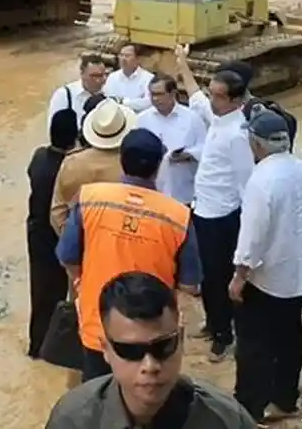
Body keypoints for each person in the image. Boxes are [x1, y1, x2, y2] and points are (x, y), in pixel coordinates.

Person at [57, 128, 202, 382]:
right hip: (153, 333)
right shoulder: (178, 216)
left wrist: (82, 283)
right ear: (158, 167)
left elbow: (67, 256)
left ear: (121, 159)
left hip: (98, 326)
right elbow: (190, 284)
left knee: (99, 401)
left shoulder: (90, 198)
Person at [44, 272, 255, 429]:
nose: (150, 366)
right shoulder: (73, 420)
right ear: (106, 349)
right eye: (131, 351)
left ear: (181, 340)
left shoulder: (226, 421)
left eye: (163, 346)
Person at [230, 111, 302, 423]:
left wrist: (240, 275)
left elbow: (253, 233)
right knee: (289, 337)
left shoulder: (261, 178)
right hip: (296, 272)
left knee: (254, 342)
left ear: (256, 143)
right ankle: (285, 398)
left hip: (264, 276)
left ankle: (249, 405)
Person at [173, 44, 254, 361]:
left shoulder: (237, 134)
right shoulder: (217, 117)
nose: (212, 99)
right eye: (212, 93)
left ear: (235, 99)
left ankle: (224, 335)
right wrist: (182, 62)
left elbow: (247, 186)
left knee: (220, 276)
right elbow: (194, 95)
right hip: (202, 209)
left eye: (219, 96)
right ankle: (213, 322)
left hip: (222, 216)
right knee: (205, 274)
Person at [27, 108, 80, 359]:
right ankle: (56, 351)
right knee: (63, 294)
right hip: (59, 235)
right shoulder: (70, 169)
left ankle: (35, 348)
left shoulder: (38, 157)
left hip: (36, 234)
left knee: (40, 293)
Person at [50, 98, 136, 234]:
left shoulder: (72, 162)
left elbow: (58, 211)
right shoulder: (132, 165)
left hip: (83, 240)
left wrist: (71, 243)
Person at [136, 73, 206, 206]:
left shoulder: (192, 118)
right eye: (152, 94)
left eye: (160, 94)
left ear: (172, 93)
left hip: (183, 189)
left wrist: (188, 154)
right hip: (152, 191)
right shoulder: (142, 119)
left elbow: (204, 147)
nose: (155, 99)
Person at [46, 54, 108, 135]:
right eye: (94, 76)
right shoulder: (64, 95)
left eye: (102, 75)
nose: (99, 81)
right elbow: (54, 131)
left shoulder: (109, 93)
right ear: (82, 74)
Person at [103, 44, 153, 112]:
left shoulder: (148, 78)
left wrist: (124, 103)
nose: (123, 59)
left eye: (127, 56)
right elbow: (107, 99)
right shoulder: (112, 77)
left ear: (137, 59)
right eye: (121, 55)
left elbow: (149, 102)